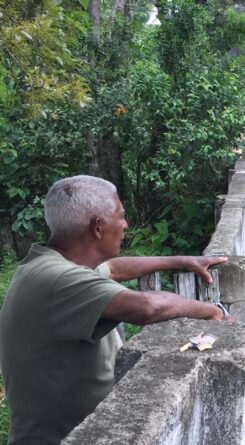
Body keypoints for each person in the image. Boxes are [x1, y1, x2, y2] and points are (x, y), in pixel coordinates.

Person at [0, 175, 230, 444]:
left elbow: (115, 268)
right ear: (99, 227)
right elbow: (148, 307)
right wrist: (215, 312)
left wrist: (180, 260)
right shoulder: (59, 280)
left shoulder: (54, 263)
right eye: (120, 215)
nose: (125, 224)